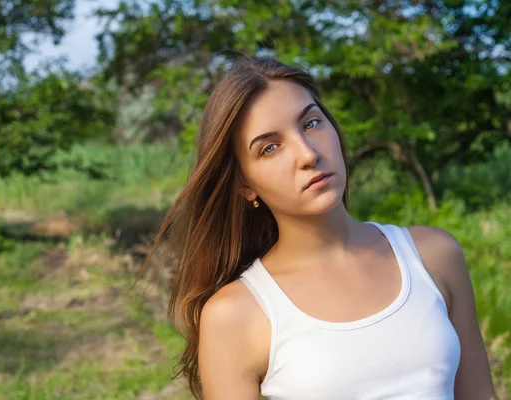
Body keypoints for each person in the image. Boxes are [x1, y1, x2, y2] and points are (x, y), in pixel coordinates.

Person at [140, 57, 497, 399]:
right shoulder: (235, 314)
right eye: (270, 148)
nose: (308, 154)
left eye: (311, 124)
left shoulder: (433, 255)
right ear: (245, 186)